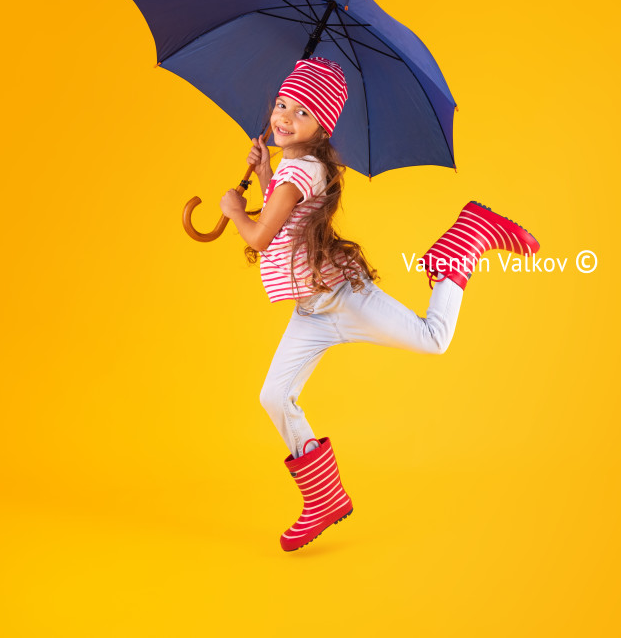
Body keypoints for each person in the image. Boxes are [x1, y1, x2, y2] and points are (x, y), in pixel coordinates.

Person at [218, 57, 540, 552]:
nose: (283, 117)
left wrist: (236, 211)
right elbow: (287, 219)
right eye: (282, 104)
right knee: (273, 397)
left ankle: (464, 242)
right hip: (312, 311)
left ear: (320, 126)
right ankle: (323, 499)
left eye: (300, 112)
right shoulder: (296, 168)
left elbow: (263, 237)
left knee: (434, 340)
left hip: (343, 299)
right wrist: (264, 172)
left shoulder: (296, 173)